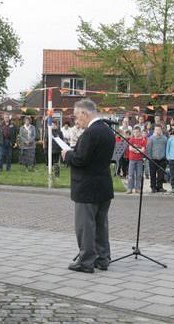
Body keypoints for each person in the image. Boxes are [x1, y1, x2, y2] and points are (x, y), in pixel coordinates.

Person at [61, 99, 115, 273]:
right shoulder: (108, 131)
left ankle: (85, 262)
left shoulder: (91, 133)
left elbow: (81, 159)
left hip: (87, 187)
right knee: (101, 225)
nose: (77, 121)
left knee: (85, 226)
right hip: (103, 184)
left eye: (77, 116)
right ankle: (103, 258)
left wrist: (67, 155)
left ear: (85, 113)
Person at [146, 124, 168, 193]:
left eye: (159, 130)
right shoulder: (151, 138)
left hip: (162, 159)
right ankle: (153, 187)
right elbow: (149, 149)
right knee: (153, 174)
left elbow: (166, 148)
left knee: (161, 174)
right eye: (156, 130)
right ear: (154, 130)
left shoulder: (164, 138)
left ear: (161, 130)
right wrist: (149, 158)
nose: (158, 131)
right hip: (153, 159)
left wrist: (166, 157)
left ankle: (160, 187)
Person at [126, 127, 146, 194]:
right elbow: (130, 148)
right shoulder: (132, 139)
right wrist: (138, 150)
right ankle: (129, 188)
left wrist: (137, 151)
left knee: (139, 174)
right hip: (132, 159)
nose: (136, 133)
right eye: (134, 132)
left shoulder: (143, 140)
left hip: (139, 160)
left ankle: (137, 188)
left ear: (140, 132)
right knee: (131, 174)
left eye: (137, 132)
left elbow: (143, 150)